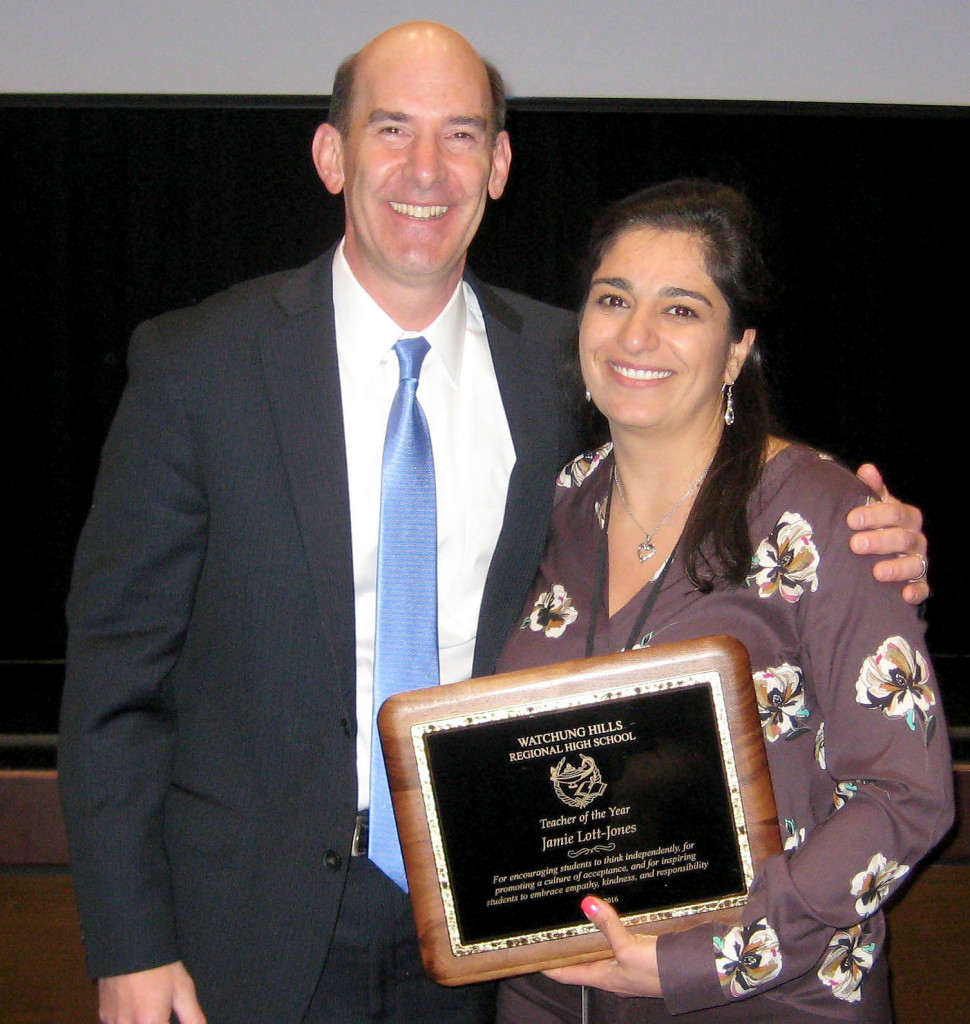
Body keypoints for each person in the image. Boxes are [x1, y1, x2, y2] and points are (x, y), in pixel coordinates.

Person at [57, 21, 930, 1024]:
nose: (425, 170)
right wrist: (131, 940)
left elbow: (724, 471)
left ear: (502, 163)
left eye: (462, 135)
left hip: (501, 933)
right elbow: (115, 680)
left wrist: (872, 537)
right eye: (392, 129)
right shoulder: (198, 365)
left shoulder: (574, 371)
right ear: (331, 153)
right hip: (244, 931)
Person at [494, 180, 952, 1023]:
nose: (636, 335)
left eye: (681, 310)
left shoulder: (824, 516)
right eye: (613, 299)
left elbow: (905, 798)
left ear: (737, 351)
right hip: (558, 994)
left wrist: (698, 961)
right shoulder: (563, 500)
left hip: (764, 999)